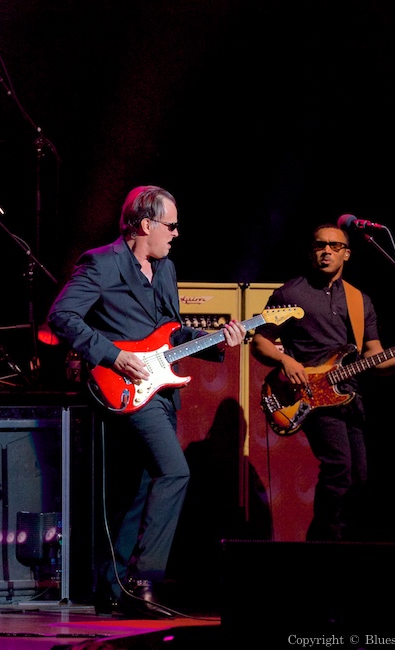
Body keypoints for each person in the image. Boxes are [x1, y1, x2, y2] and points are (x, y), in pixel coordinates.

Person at [47, 185, 246, 618]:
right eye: (170, 226)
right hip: (120, 384)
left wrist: (217, 340)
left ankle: (113, 587)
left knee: (141, 489)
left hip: (159, 390)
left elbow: (171, 332)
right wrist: (112, 355)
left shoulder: (166, 268)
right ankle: (144, 579)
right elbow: (61, 316)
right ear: (145, 224)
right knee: (175, 472)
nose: (176, 234)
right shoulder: (101, 262)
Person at [249, 223, 395, 542]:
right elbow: (260, 342)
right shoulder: (290, 294)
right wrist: (286, 360)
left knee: (358, 478)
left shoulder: (359, 300)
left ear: (347, 254)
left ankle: (333, 543)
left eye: (334, 246)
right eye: (319, 245)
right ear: (311, 252)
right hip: (309, 394)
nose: (326, 251)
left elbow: (374, 356)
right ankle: (324, 547)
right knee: (339, 468)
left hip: (348, 396)